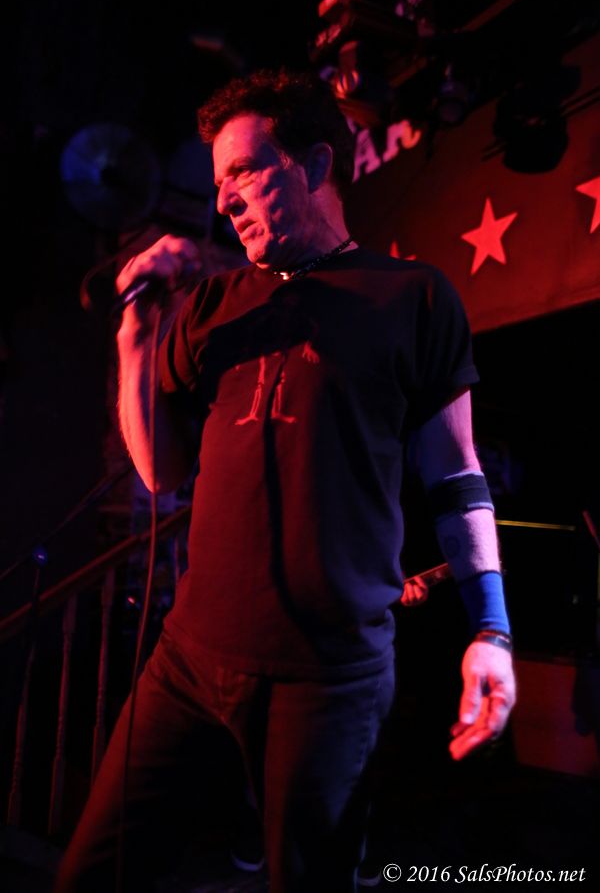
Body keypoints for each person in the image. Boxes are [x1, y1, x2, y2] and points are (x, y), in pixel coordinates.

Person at [55, 68, 516, 893]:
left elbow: (456, 475)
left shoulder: (413, 297)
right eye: (218, 180)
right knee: (93, 873)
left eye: (243, 171)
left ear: (314, 165)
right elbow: (159, 470)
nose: (224, 198)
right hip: (187, 664)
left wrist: (493, 629)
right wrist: (134, 341)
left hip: (331, 679)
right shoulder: (214, 306)